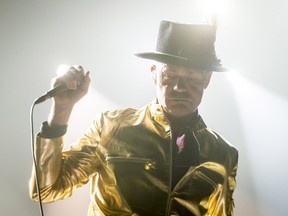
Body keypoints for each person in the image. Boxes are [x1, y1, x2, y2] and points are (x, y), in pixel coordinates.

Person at [29, 20, 238, 216]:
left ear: (207, 79)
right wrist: (61, 110)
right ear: (154, 73)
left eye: (191, 77)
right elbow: (45, 190)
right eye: (170, 75)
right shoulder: (110, 127)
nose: (179, 87)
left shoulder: (223, 154)